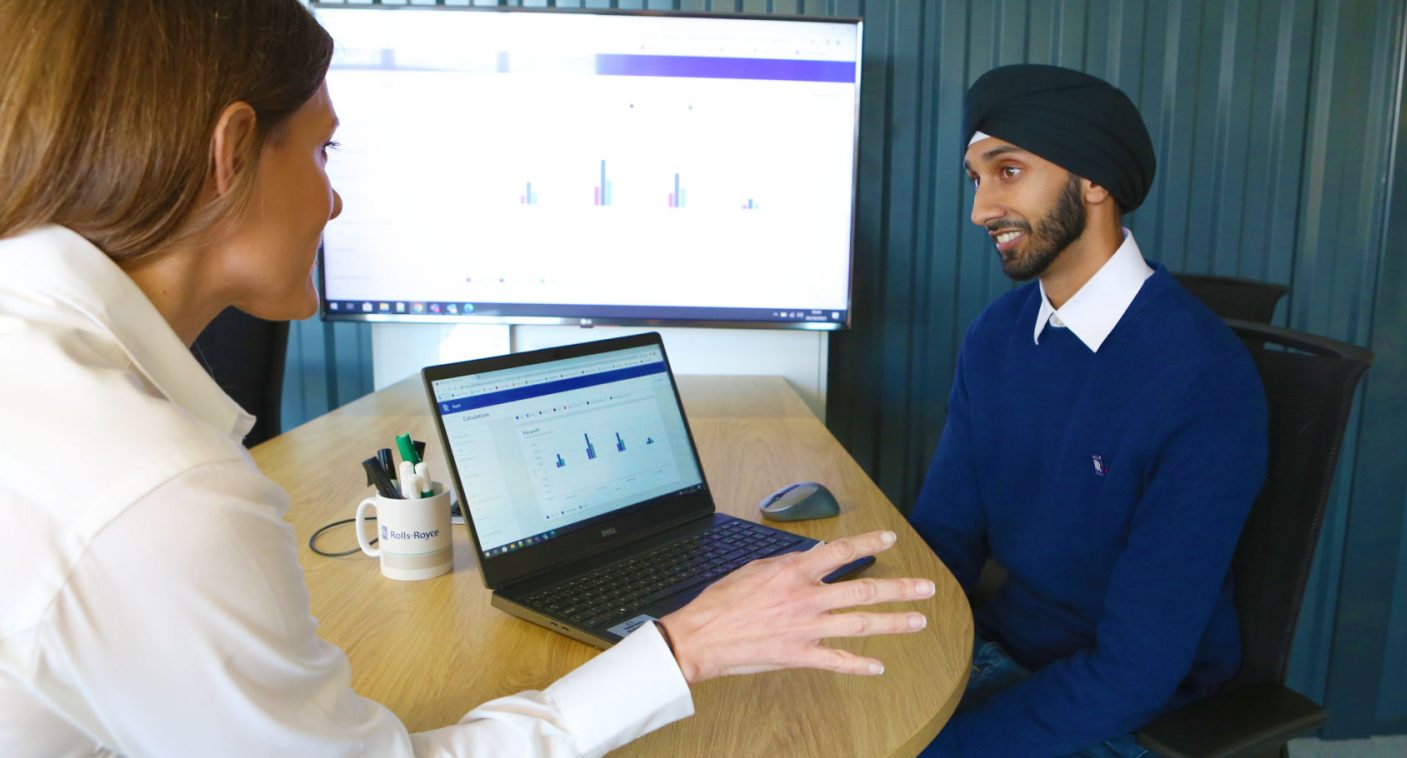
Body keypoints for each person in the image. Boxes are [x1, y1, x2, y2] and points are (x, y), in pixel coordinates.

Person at [0, 2, 934, 755]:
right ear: (230, 152)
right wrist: (683, 647)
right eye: (324, 150)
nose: (334, 198)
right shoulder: (157, 495)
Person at [909, 64, 1268, 757]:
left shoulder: (1202, 378)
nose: (981, 209)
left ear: (1095, 180)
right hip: (997, 651)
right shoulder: (997, 336)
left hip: (1123, 710)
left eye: (1007, 171)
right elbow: (943, 539)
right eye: (976, 178)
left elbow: (1136, 670)